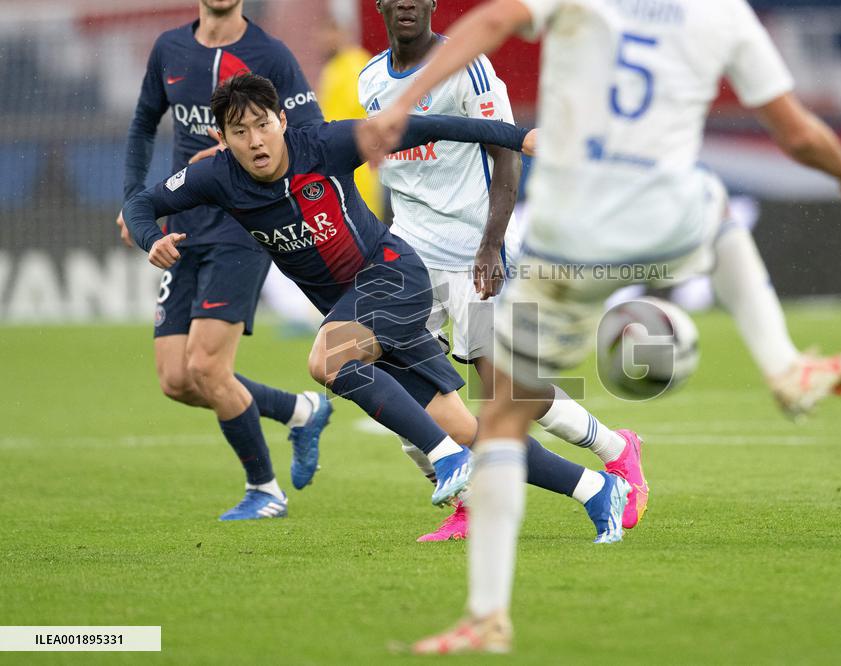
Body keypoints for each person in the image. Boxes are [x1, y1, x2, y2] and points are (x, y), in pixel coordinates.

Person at [357, 0, 841, 653]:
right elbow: (799, 136)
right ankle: (782, 365)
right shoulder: (725, 16)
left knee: (502, 422)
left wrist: (410, 111)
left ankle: (488, 612)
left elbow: (489, 26)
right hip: (658, 215)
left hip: (558, 236)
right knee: (714, 206)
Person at [123, 74, 631, 544]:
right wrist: (151, 240)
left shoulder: (325, 143)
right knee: (469, 429)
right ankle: (593, 489)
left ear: (281, 120)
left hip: (392, 277)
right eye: (240, 131)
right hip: (359, 312)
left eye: (262, 124)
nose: (255, 141)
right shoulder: (215, 175)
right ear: (223, 138)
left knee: (327, 360)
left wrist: (519, 137)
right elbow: (140, 206)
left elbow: (431, 125)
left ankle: (445, 457)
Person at [361, 0, 647, 543]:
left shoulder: (468, 67)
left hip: (473, 253)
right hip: (408, 258)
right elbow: (389, 169)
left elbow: (508, 154)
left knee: (508, 400)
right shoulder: (369, 79)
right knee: (407, 398)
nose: (405, 3)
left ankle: (615, 449)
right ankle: (467, 504)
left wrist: (491, 245)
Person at [115, 0, 333, 521]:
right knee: (177, 379)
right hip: (184, 226)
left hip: (244, 227)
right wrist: (132, 200)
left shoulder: (270, 55)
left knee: (208, 366)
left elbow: (310, 134)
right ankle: (297, 410)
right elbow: (144, 123)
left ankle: (265, 491)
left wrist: (232, 157)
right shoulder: (170, 48)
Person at [316, 18, 384, 218]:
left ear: (342, 35)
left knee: (363, 215)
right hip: (339, 154)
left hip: (357, 153)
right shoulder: (334, 67)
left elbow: (361, 109)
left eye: (330, 35)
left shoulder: (354, 63)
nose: (325, 41)